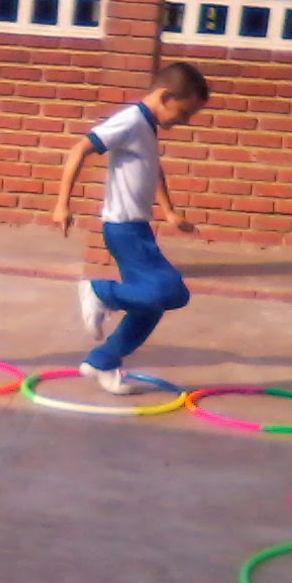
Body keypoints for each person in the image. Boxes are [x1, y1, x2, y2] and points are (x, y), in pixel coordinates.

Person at [51, 62, 209, 394]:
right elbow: (80, 148)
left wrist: (169, 212)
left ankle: (104, 361)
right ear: (165, 97)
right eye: (184, 113)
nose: (184, 121)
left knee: (152, 306)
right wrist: (62, 204)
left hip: (138, 228)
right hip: (124, 229)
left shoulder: (146, 126)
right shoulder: (130, 120)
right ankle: (99, 291)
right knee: (172, 291)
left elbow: (154, 169)